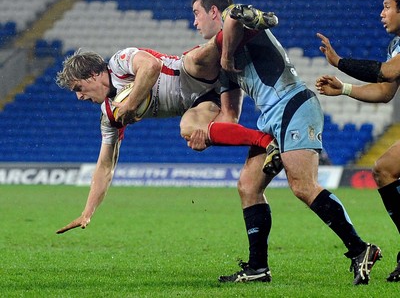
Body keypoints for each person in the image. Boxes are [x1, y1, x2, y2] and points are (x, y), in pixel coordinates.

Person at [188, 0, 381, 285]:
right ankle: (258, 268)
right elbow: (230, 118)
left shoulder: (238, 23)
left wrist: (226, 55)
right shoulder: (222, 65)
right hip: (270, 118)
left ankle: (360, 249)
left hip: (294, 104)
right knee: (248, 186)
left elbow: (236, 14)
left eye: (197, 14)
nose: (194, 22)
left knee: (302, 185)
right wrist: (207, 135)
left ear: (214, 12)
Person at [55, 43, 277, 233]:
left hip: (190, 73)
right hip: (204, 99)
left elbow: (152, 65)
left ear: (93, 74)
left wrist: (130, 105)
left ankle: (236, 24)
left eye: (79, 88)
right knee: (189, 130)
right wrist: (87, 213)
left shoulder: (119, 63)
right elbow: (105, 166)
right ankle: (268, 141)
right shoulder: (110, 114)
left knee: (195, 59)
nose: (79, 96)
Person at [315, 0, 400, 283]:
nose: (381, 13)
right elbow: (385, 92)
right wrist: (345, 89)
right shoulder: (396, 46)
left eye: (387, 7)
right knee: (384, 169)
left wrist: (338, 62)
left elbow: (387, 72)